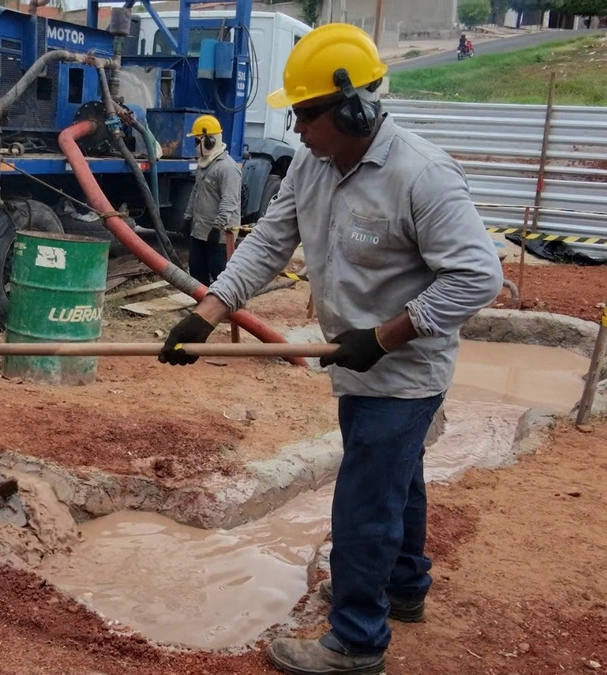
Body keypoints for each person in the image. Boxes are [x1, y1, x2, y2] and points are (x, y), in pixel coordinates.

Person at [158, 23, 503, 675]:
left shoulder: (421, 175)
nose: (297, 129)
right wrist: (206, 312)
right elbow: (267, 245)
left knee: (365, 497)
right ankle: (404, 588)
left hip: (407, 369)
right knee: (394, 482)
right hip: (357, 361)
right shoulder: (312, 169)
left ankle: (356, 639)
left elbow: (479, 276)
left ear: (354, 109)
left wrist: (385, 336)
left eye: (305, 115)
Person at [182, 114, 242, 285]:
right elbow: (196, 192)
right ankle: (203, 307)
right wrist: (188, 217)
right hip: (200, 230)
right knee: (197, 270)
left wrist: (218, 227)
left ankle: (224, 311)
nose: (194, 146)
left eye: (196, 142)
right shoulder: (204, 164)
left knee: (218, 273)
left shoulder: (227, 168)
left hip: (219, 234)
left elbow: (229, 200)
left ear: (208, 141)